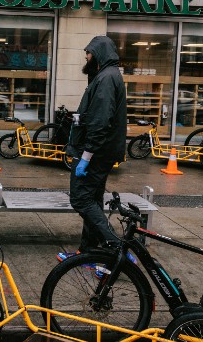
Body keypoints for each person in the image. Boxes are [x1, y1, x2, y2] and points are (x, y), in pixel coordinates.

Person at [65, 35, 127, 255]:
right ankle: (89, 249)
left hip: (97, 153)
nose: (86, 56)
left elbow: (101, 122)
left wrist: (86, 156)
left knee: (81, 199)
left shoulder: (106, 78)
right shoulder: (105, 76)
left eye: (89, 52)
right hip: (101, 151)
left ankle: (116, 248)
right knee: (93, 199)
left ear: (99, 53)